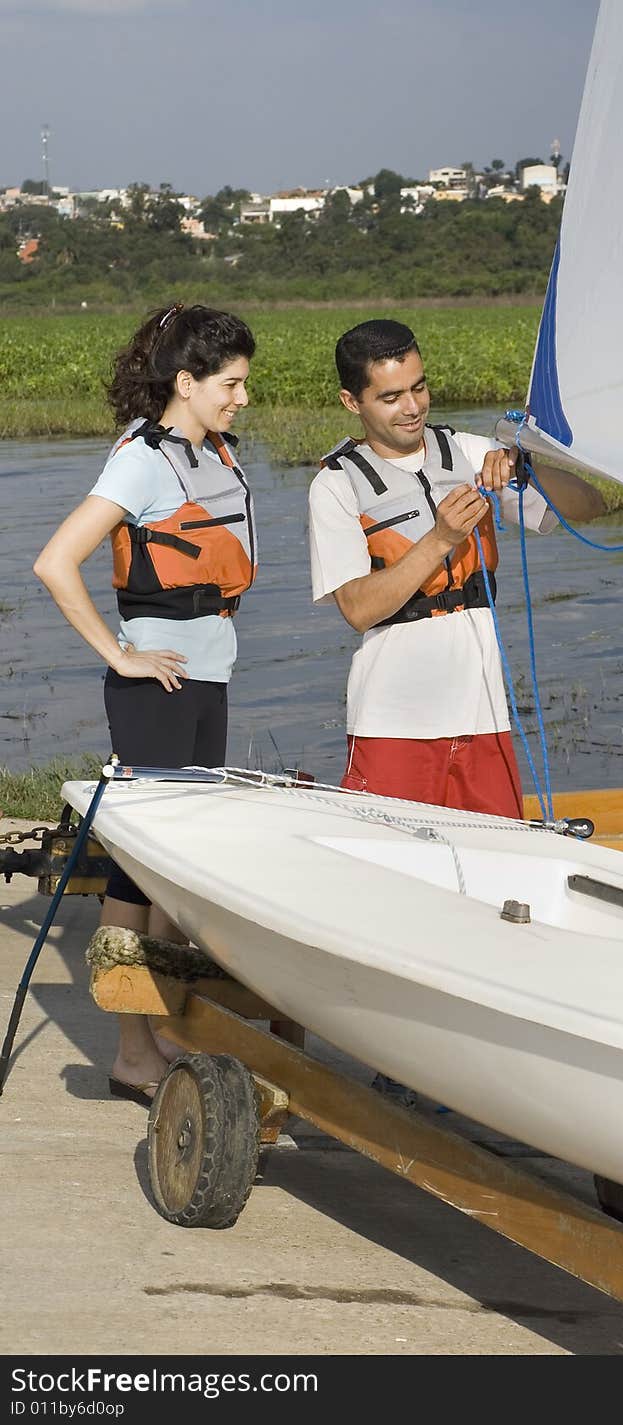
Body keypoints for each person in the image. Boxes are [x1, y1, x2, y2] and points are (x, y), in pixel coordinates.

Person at [33, 302, 257, 1104]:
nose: (241, 398)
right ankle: (132, 1048)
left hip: (205, 679)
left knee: (173, 876)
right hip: (155, 688)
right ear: (187, 382)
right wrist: (117, 654)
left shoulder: (214, 453)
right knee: (135, 878)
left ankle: (160, 1024)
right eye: (230, 384)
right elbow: (56, 561)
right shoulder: (142, 460)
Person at [308, 317, 606, 820]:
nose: (412, 407)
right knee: (390, 870)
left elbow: (589, 505)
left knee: (502, 869)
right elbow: (358, 609)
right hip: (392, 724)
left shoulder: (470, 454)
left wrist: (524, 468)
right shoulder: (335, 487)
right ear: (351, 402)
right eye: (391, 396)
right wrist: (441, 539)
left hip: (483, 717)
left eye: (418, 388)